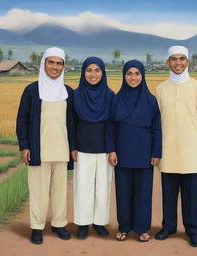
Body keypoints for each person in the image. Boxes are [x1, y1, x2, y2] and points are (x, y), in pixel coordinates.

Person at [155, 45, 197, 247]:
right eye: (173, 59)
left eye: (182, 59)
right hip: (168, 151)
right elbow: (158, 120)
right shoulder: (161, 89)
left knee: (191, 195)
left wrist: (194, 136)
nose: (178, 63)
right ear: (167, 62)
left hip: (191, 152)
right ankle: (168, 227)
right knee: (168, 193)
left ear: (187, 61)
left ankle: (192, 230)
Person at [16, 47, 75, 244]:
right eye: (51, 62)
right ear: (44, 64)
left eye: (59, 63)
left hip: (62, 150)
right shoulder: (32, 90)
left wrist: (73, 147)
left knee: (60, 191)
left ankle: (59, 224)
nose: (55, 67)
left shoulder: (68, 92)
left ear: (64, 66)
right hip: (38, 150)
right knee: (38, 192)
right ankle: (37, 227)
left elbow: (72, 124)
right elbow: (22, 120)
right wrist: (24, 146)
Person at [107, 60, 162, 242]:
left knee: (144, 192)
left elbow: (157, 129)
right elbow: (110, 127)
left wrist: (156, 152)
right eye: (129, 73)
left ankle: (142, 228)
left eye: (137, 73)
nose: (133, 77)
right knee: (123, 191)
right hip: (122, 152)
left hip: (145, 153)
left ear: (143, 76)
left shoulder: (150, 100)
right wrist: (112, 150)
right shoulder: (116, 99)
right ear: (124, 76)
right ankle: (124, 227)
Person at [72, 56, 114, 239]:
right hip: (82, 149)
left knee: (103, 189)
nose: (93, 74)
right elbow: (71, 123)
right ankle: (82, 223)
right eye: (89, 70)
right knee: (83, 188)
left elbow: (113, 125)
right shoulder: (76, 95)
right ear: (83, 73)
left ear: (103, 73)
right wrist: (72, 146)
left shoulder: (110, 95)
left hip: (104, 150)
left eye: (97, 70)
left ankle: (99, 222)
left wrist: (113, 149)